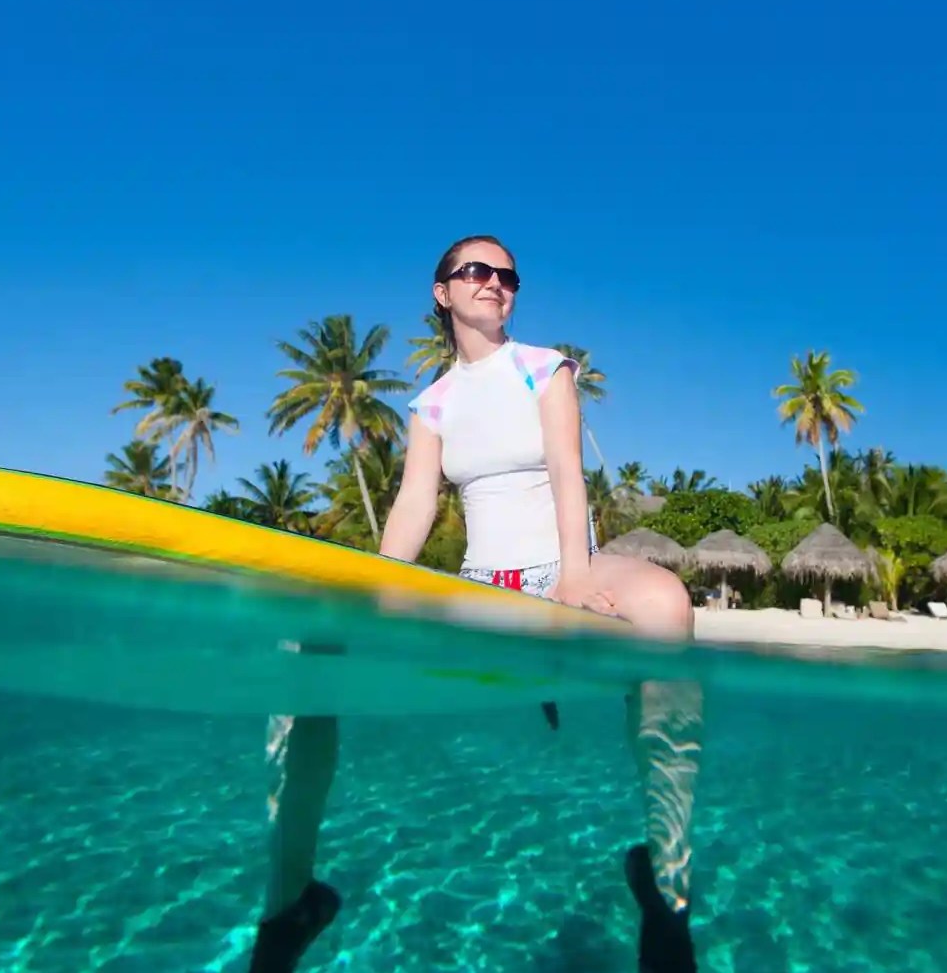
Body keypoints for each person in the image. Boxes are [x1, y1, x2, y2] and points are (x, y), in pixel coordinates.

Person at [247, 235, 705, 973]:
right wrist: (377, 589)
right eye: (476, 271)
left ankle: (667, 890)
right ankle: (289, 899)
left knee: (669, 608)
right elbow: (415, 502)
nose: (495, 282)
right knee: (309, 643)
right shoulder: (430, 403)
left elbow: (566, 471)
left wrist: (575, 577)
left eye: (507, 275)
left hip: (564, 565)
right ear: (443, 292)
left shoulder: (544, 368)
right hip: (480, 584)